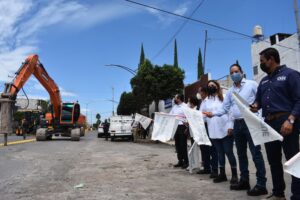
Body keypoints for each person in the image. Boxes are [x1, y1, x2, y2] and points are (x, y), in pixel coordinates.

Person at [204, 63, 268, 196]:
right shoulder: (230, 92)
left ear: (242, 72)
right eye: (231, 73)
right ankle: (244, 180)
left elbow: (261, 101)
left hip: (251, 122)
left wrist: (260, 118)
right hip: (237, 125)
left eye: (236, 71)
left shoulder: (251, 84)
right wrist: (213, 114)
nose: (234, 74)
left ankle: (261, 184)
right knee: (241, 154)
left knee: (256, 154)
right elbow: (225, 108)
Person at [251, 47, 300, 200]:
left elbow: (299, 99)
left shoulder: (291, 74)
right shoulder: (264, 81)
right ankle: (278, 194)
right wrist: (255, 106)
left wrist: (290, 120)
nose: (261, 64)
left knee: (292, 160)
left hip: (286, 121)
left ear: (271, 59)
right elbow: (258, 100)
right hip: (268, 124)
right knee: (273, 161)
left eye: (262, 61)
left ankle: (297, 195)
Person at [201, 80, 238, 184]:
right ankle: (222, 175)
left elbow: (231, 113)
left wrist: (231, 126)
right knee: (220, 153)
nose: (211, 87)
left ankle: (234, 175)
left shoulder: (225, 97)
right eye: (209, 86)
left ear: (217, 86)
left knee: (228, 152)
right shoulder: (205, 101)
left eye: (213, 85)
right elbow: (201, 115)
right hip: (213, 131)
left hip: (226, 129)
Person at [197, 86, 219, 179]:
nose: (199, 94)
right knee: (203, 147)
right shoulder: (202, 102)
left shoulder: (208, 101)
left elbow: (207, 114)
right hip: (202, 126)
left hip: (207, 125)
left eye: (200, 92)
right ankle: (206, 167)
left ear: (204, 92)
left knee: (211, 148)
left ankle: (214, 169)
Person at [170, 93, 189, 169]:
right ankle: (180, 161)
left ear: (179, 98)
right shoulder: (174, 107)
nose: (174, 99)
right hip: (175, 126)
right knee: (177, 145)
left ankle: (186, 161)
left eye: (175, 98)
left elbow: (189, 116)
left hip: (182, 126)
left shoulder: (185, 106)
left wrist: (187, 125)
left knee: (183, 145)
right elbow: (170, 115)